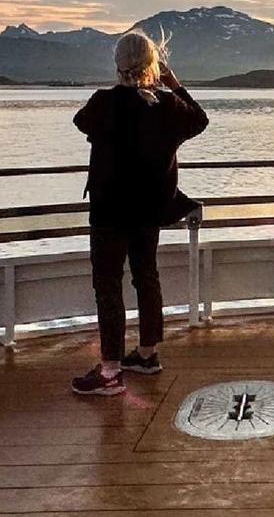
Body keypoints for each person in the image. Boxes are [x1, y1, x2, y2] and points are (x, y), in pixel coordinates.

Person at [70, 30, 208, 396]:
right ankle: (147, 355)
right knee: (146, 277)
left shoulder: (104, 103)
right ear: (154, 66)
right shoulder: (168, 107)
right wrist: (173, 84)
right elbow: (200, 120)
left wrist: (122, 91)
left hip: (109, 211)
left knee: (108, 284)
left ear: (118, 65)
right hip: (149, 211)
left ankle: (110, 371)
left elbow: (81, 122)